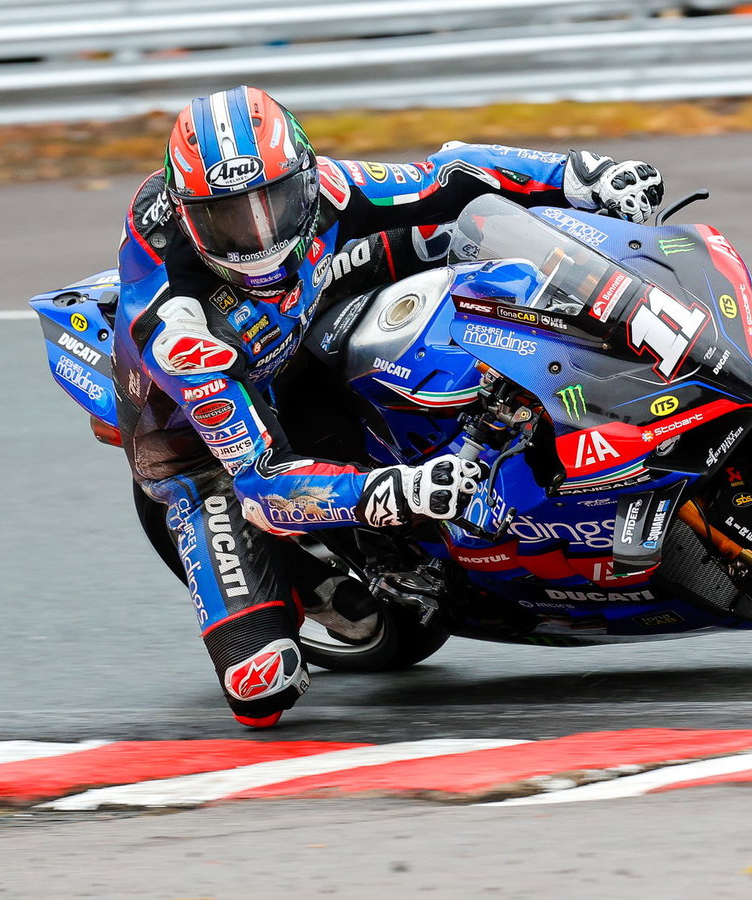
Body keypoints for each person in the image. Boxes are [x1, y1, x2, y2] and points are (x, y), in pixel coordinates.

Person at [115, 85, 665, 727]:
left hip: (306, 321)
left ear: (306, 177)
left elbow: (449, 174)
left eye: (273, 205)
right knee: (258, 688)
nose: (257, 236)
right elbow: (265, 484)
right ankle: (322, 584)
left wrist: (580, 175)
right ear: (188, 217)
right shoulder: (183, 333)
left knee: (451, 238)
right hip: (208, 443)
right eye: (229, 220)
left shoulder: (329, 189)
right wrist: (397, 492)